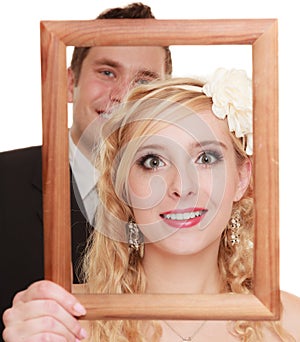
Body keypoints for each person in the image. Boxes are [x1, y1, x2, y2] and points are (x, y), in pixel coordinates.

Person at [3, 69, 300, 341]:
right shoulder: (64, 318)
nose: (181, 187)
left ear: (241, 178)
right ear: (122, 186)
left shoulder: (291, 322)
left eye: (206, 158)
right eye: (154, 162)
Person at [0, 2, 172, 338]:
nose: (123, 95)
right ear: (68, 83)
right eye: (107, 72)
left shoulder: (192, 196)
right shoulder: (2, 183)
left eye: (144, 80)